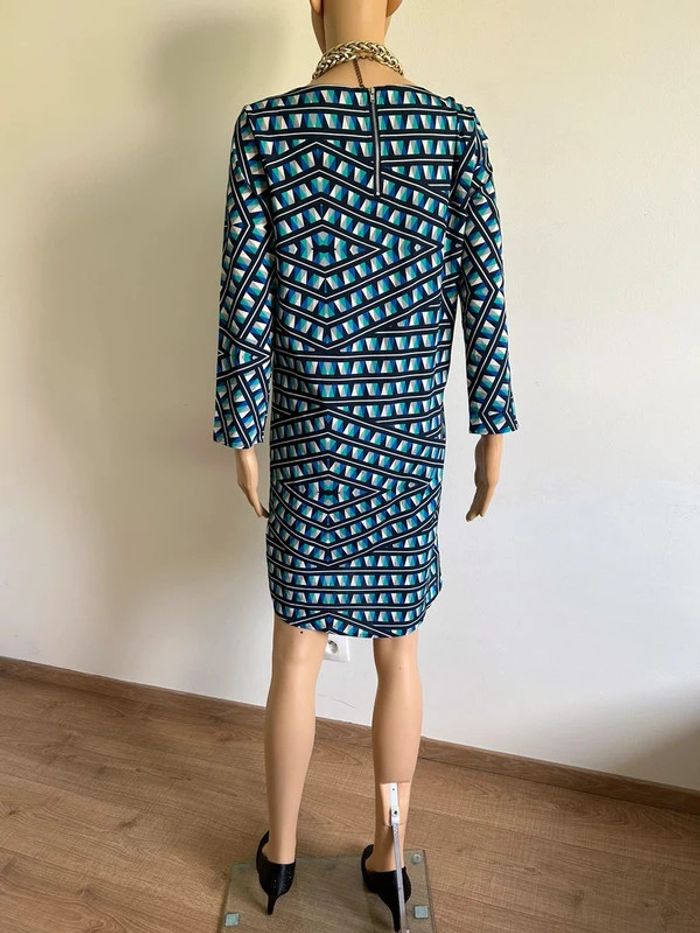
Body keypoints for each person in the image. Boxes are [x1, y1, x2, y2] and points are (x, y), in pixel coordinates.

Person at [212, 0, 519, 926]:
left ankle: (281, 852)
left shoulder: (266, 129)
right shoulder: (454, 130)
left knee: (295, 651)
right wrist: (492, 429)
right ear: (395, 4)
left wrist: (243, 429)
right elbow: (486, 292)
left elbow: (244, 301)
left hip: (312, 438)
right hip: (407, 437)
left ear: (314, 6)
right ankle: (388, 851)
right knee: (400, 650)